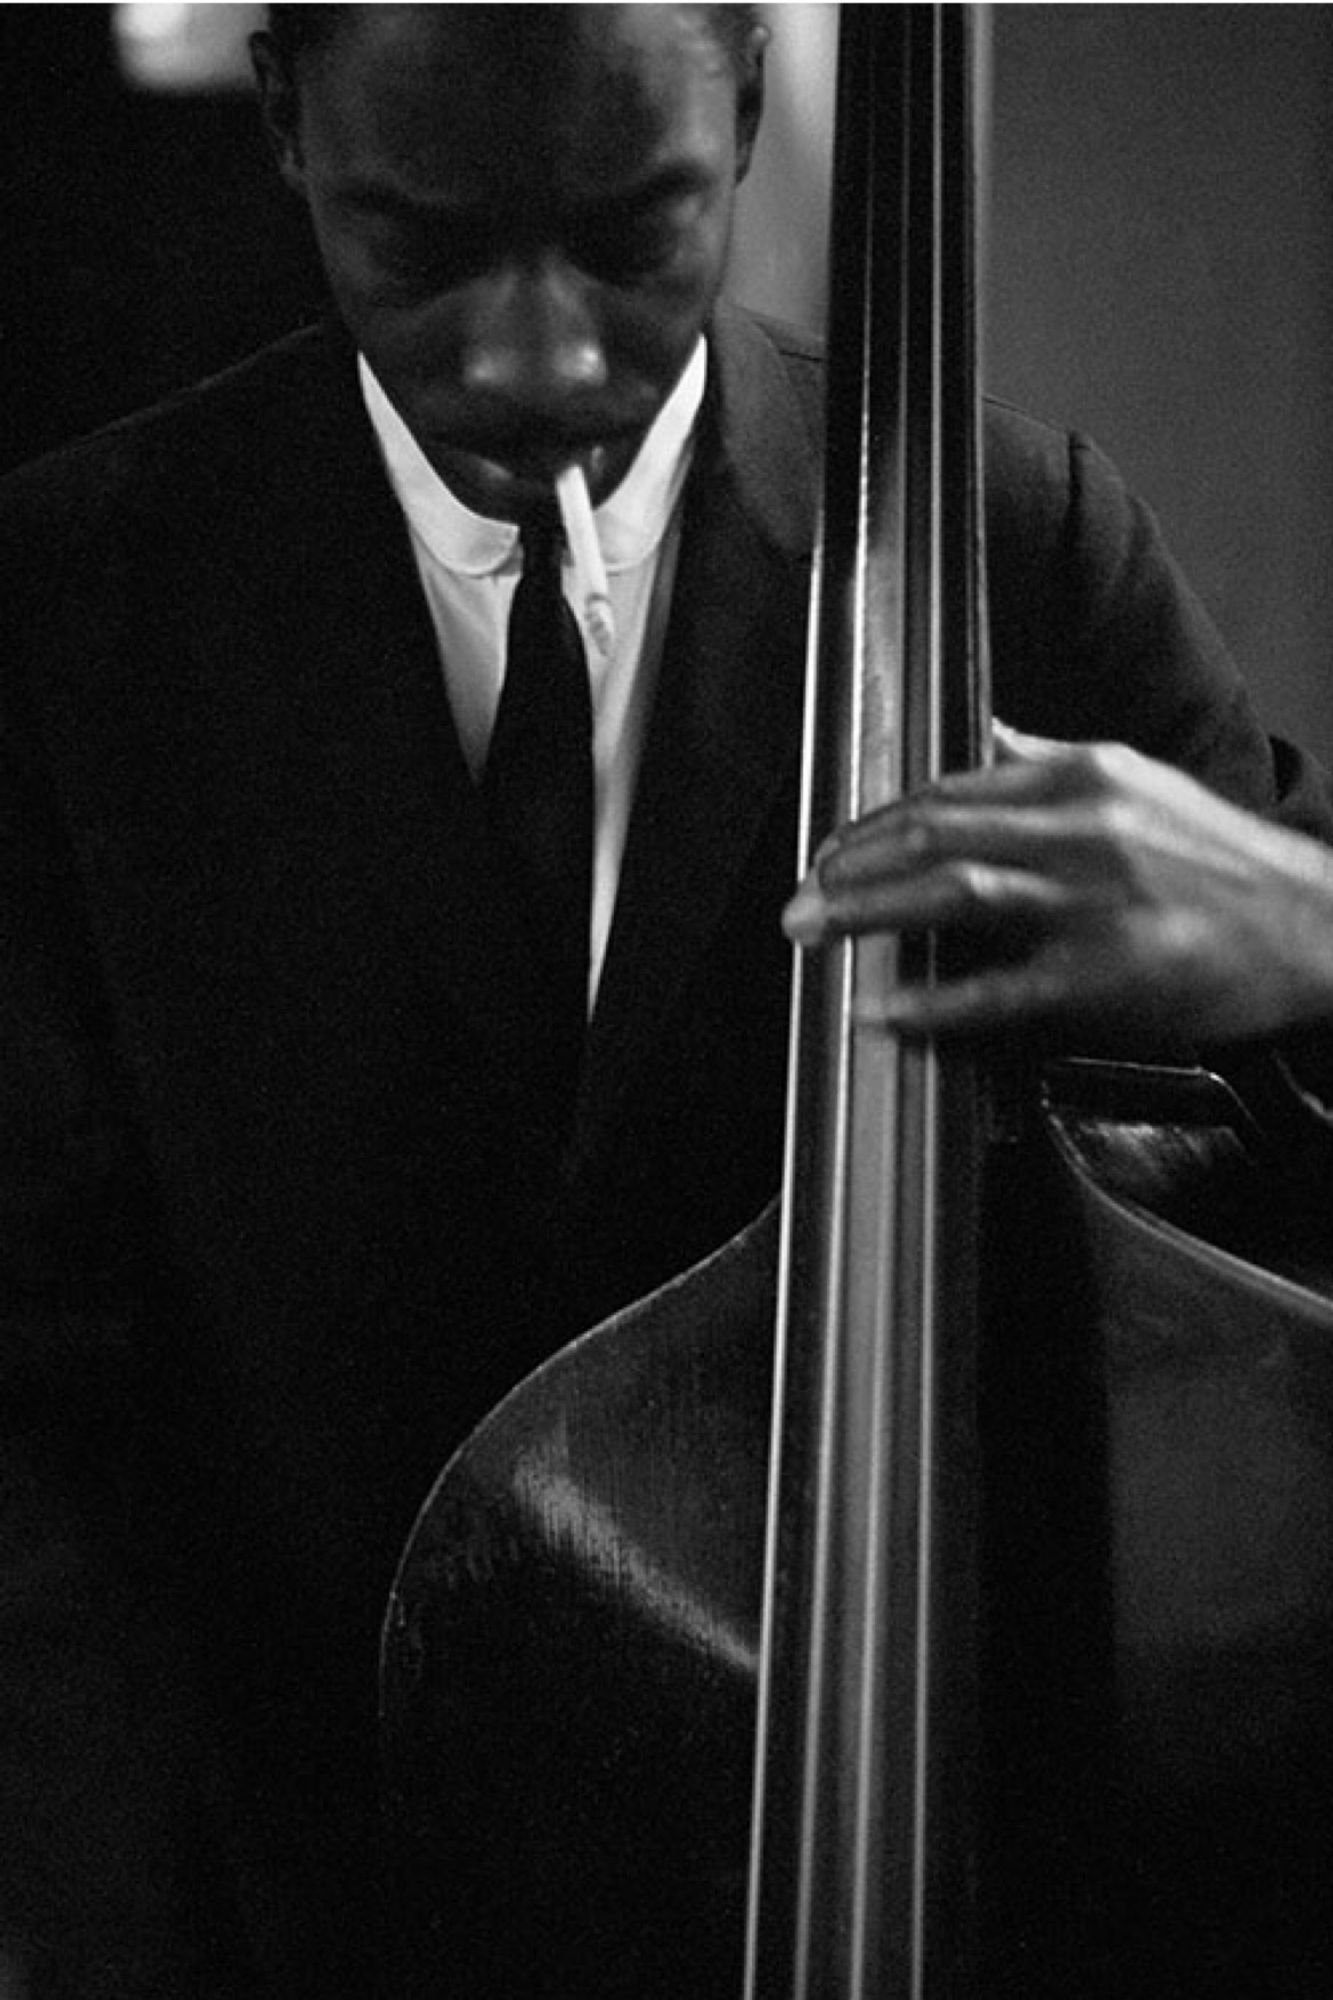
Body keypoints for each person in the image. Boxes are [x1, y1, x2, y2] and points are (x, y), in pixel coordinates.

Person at [3, 5, 1333, 1994]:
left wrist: (1314, 930)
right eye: (420, 239)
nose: (536, 355)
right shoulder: (64, 605)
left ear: (741, 110)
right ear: (285, 120)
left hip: (921, 1871)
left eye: (632, 233)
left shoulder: (1027, 544)